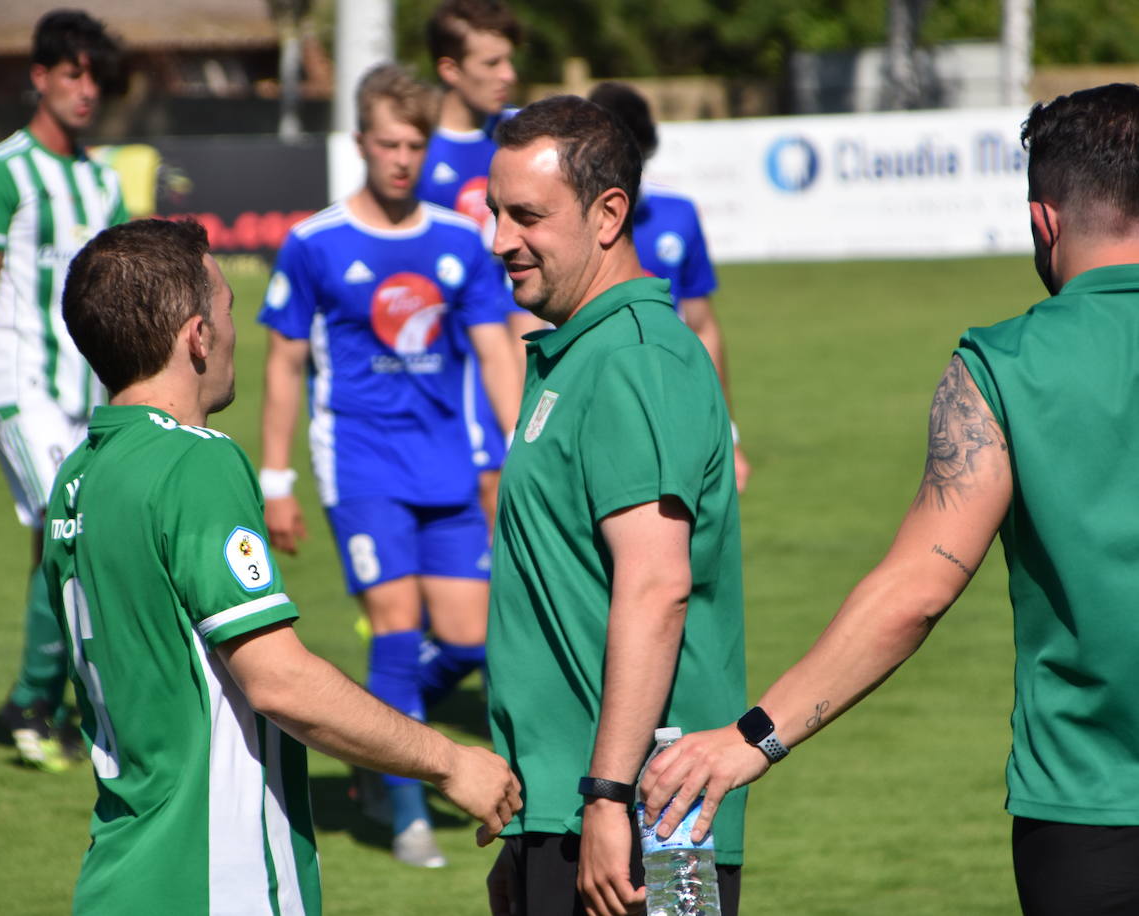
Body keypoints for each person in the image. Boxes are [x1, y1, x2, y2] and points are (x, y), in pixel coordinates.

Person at [637, 83, 1139, 916]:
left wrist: (752, 738)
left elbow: (915, 591)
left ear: (1042, 220)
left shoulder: (1003, 365)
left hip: (1086, 817)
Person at [45, 217, 522, 915]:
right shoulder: (194, 460)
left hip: (118, 875)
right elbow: (279, 682)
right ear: (197, 336)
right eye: (228, 312)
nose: (239, 332)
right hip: (213, 881)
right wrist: (451, 762)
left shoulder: (79, 474)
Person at [483, 95, 747, 916]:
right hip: (567, 808)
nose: (500, 240)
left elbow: (655, 585)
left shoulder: (634, 360)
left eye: (527, 215)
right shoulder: (578, 352)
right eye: (495, 213)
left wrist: (605, 794)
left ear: (609, 214)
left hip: (641, 818)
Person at [257, 63, 520, 868]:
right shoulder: (315, 243)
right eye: (387, 143)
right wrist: (276, 481)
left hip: (446, 466)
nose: (401, 158)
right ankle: (403, 810)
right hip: (361, 466)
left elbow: (498, 350)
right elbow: (283, 364)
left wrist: (520, 454)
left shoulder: (459, 240)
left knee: (472, 640)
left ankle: (372, 741)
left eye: (415, 144)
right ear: (360, 143)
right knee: (398, 630)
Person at [0, 8, 127, 772]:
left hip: (87, 394)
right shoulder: (1, 170)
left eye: (95, 77)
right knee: (75, 525)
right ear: (40, 77)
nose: (86, 90)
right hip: (21, 388)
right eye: (72, 73)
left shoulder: (100, 179)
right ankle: (37, 700)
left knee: (56, 547)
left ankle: (47, 703)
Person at [587, 81, 751, 492]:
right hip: (590, 405)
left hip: (669, 407)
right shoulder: (571, 224)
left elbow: (702, 327)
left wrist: (727, 432)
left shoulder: (678, 215)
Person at [418, 0, 540, 522]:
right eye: (491, 63)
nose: (508, 75)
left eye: (509, 60)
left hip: (529, 347)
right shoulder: (415, 157)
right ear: (450, 69)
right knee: (490, 510)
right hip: (455, 369)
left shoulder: (526, 138)